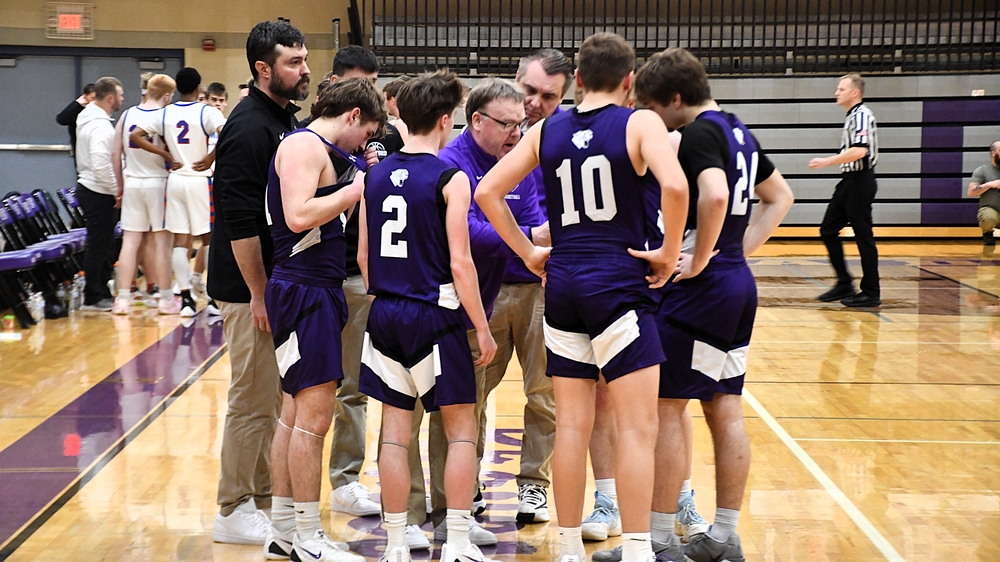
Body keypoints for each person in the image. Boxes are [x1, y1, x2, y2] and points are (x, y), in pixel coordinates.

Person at [475, 32, 689, 562]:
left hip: (564, 284)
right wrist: (667, 253)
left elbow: (487, 193)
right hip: (618, 280)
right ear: (629, 81)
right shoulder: (640, 123)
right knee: (637, 427)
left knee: (572, 426)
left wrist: (528, 252)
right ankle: (637, 549)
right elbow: (677, 187)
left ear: (575, 80)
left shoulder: (546, 130)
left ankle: (568, 548)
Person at [627, 47, 794, 562]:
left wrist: (698, 259)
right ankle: (724, 535)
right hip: (737, 284)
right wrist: (733, 254)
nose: (653, 118)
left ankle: (658, 540)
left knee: (667, 407)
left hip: (704, 291)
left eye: (654, 107)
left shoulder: (700, 132)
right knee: (725, 405)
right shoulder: (739, 130)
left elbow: (715, 196)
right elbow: (780, 197)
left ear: (675, 98)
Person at [357, 68, 498, 562]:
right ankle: (456, 540)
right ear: (444, 120)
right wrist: (482, 328)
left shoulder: (372, 175)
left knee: (396, 435)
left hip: (385, 312)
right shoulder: (449, 177)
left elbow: (363, 257)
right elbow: (461, 263)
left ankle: (397, 543)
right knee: (460, 431)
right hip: (434, 315)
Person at [265, 77, 385, 562]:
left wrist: (356, 176)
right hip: (304, 289)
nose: (362, 143)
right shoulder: (303, 145)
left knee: (295, 416)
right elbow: (298, 215)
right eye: (366, 132)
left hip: (313, 288)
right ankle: (308, 537)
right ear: (353, 115)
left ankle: (282, 529)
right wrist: (356, 190)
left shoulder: (326, 152)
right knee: (313, 421)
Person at [417, 78, 539, 545]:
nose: (516, 133)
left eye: (520, 124)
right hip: (449, 306)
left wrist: (521, 237)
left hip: (490, 297)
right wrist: (522, 240)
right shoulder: (451, 163)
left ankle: (463, 503)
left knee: (474, 408)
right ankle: (444, 511)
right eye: (507, 124)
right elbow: (466, 234)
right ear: (476, 121)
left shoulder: (519, 160)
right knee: (450, 411)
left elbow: (528, 222)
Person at [206, 20, 311, 547]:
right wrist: (258, 293)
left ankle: (261, 494)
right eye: (294, 62)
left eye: (305, 59)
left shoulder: (280, 118)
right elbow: (240, 221)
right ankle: (232, 507)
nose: (305, 70)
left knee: (271, 398)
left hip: (272, 285)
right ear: (263, 69)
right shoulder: (249, 127)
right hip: (247, 287)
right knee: (251, 398)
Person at [311, 46, 406, 532]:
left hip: (361, 274)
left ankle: (345, 479)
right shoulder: (308, 138)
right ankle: (286, 495)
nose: (369, 91)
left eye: (373, 81)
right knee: (306, 390)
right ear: (335, 83)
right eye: (359, 81)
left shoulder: (386, 134)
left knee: (354, 386)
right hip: (312, 275)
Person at [475, 49, 570, 526]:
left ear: (564, 97)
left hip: (542, 285)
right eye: (529, 90)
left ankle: (534, 485)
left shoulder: (567, 141)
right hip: (486, 286)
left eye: (548, 96)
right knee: (471, 391)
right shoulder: (483, 135)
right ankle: (467, 482)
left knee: (544, 394)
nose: (535, 102)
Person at [131, 67, 226, 318]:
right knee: (208, 239)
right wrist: (211, 157)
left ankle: (185, 300)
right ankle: (214, 299)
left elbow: (136, 135)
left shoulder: (165, 113)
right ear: (198, 88)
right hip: (199, 180)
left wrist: (165, 154)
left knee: (181, 242)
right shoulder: (206, 111)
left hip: (175, 181)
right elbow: (227, 134)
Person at [110, 73, 180, 315]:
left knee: (130, 241)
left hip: (132, 182)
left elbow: (115, 153)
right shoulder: (165, 116)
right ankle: (165, 298)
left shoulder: (127, 114)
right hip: (158, 182)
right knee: (162, 242)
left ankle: (123, 299)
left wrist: (119, 187)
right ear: (167, 96)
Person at [810, 73, 881, 308]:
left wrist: (827, 161)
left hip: (860, 181)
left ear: (855, 92)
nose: (836, 92)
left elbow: (860, 150)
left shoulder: (861, 115)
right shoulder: (852, 116)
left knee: (863, 236)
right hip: (849, 181)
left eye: (841, 89)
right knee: (828, 229)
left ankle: (871, 291)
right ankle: (844, 282)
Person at [76, 76, 125, 312]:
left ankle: (101, 290)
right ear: (110, 98)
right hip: (97, 191)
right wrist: (116, 190)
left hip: (96, 189)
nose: (123, 99)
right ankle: (93, 295)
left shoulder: (92, 119)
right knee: (99, 245)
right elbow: (100, 163)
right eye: (121, 95)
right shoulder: (99, 126)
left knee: (104, 244)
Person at [968, 141, 1000, 247]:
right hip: (992, 209)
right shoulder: (983, 170)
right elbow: (971, 192)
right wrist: (990, 184)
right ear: (993, 153)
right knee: (988, 217)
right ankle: (987, 233)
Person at [56, 83, 95, 161]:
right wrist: (77, 104)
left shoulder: (99, 111)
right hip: (79, 151)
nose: (94, 102)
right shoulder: (76, 109)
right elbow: (61, 119)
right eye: (92, 98)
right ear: (85, 96)